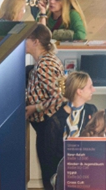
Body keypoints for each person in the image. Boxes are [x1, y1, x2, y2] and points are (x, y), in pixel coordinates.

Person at [25, 23, 65, 190]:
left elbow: (59, 96)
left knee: (50, 174)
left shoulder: (44, 65)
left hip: (49, 125)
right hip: (47, 126)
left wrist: (35, 108)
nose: (23, 42)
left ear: (35, 42)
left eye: (26, 39)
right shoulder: (44, 61)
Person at [60, 71, 98, 139]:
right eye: (90, 87)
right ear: (79, 91)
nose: (94, 90)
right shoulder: (57, 119)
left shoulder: (92, 110)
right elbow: (51, 149)